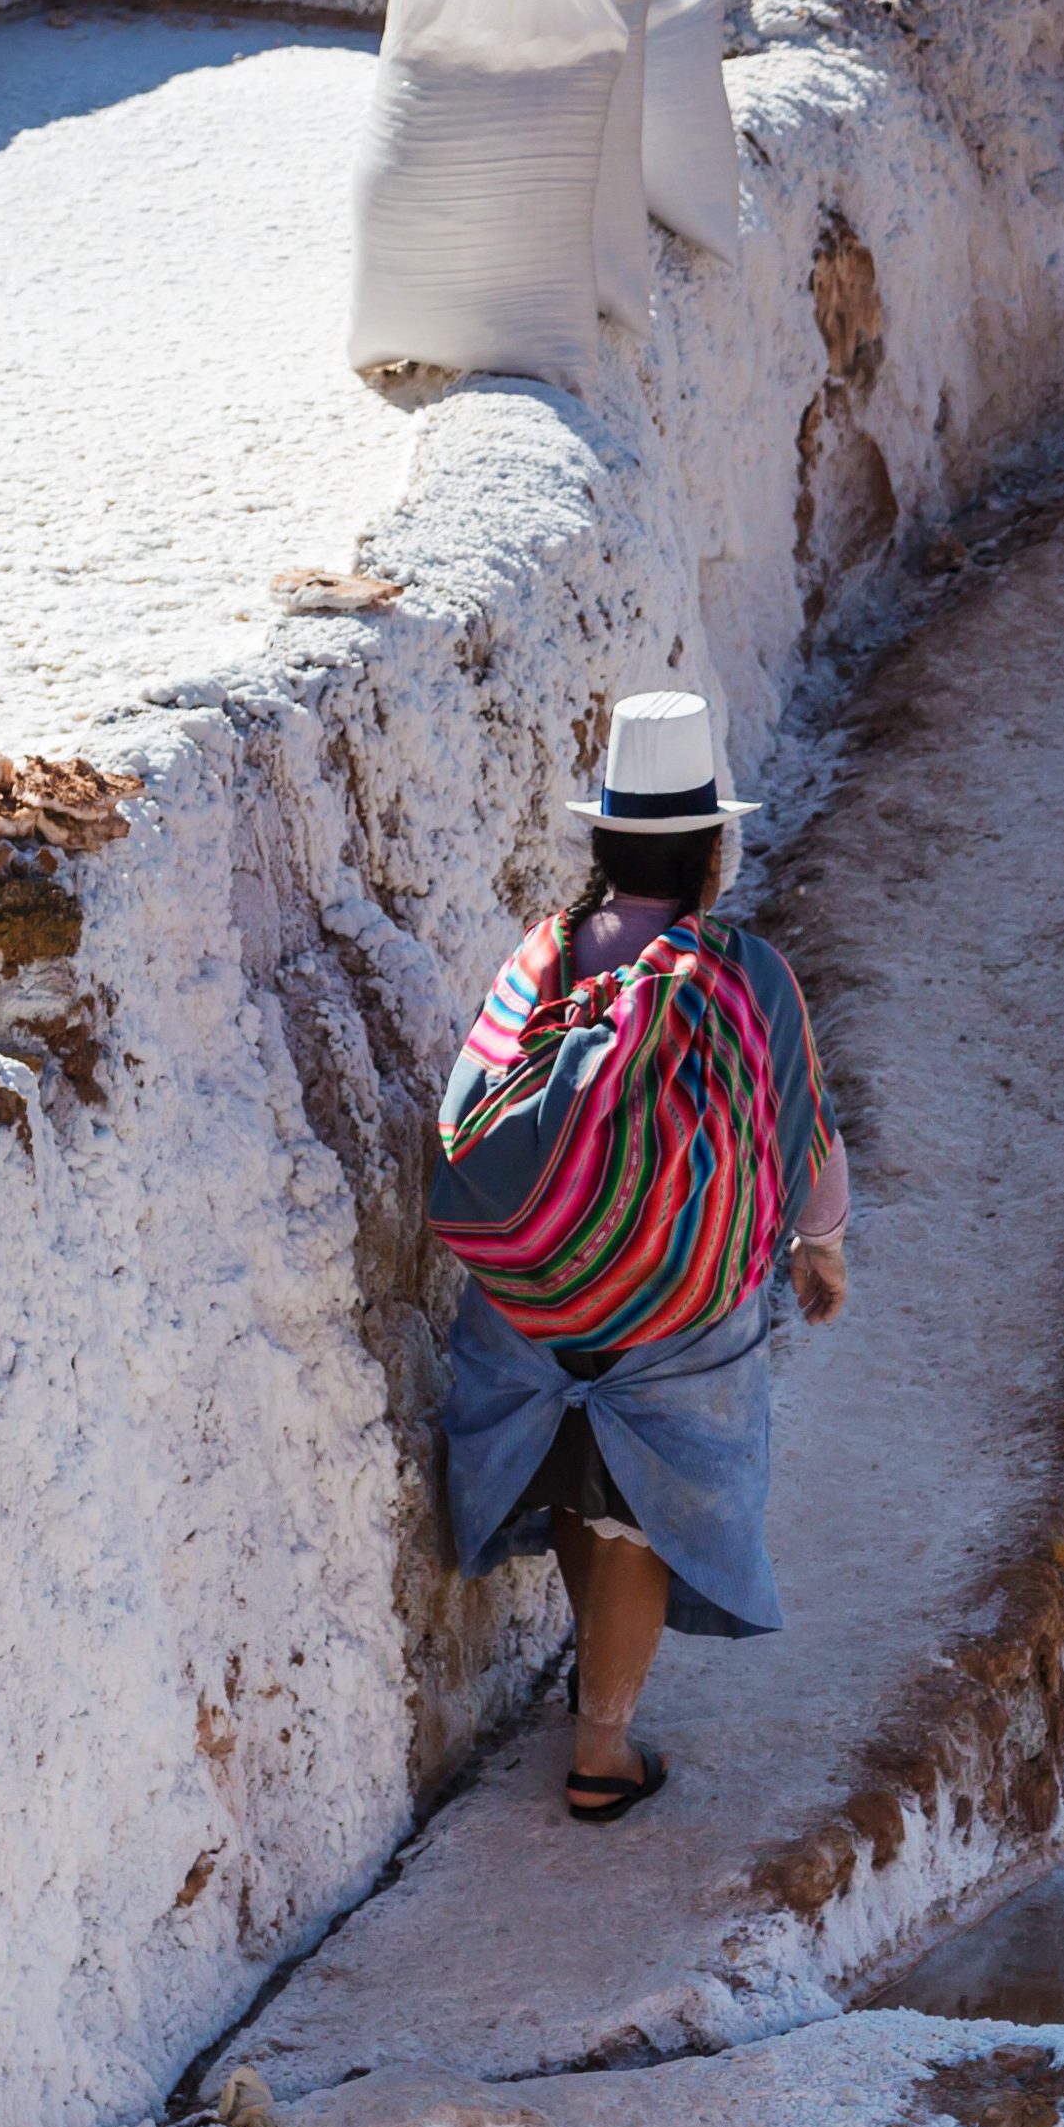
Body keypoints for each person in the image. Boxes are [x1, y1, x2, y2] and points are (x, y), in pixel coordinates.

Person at [428, 691, 851, 1822]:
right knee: (636, 1504)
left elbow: (475, 1103)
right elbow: (801, 1127)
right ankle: (600, 1752)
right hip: (672, 1314)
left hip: (526, 1301)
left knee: (584, 1470)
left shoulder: (544, 956)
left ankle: (593, 1698)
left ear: (603, 839)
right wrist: (817, 1247)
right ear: (714, 850)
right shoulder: (743, 973)